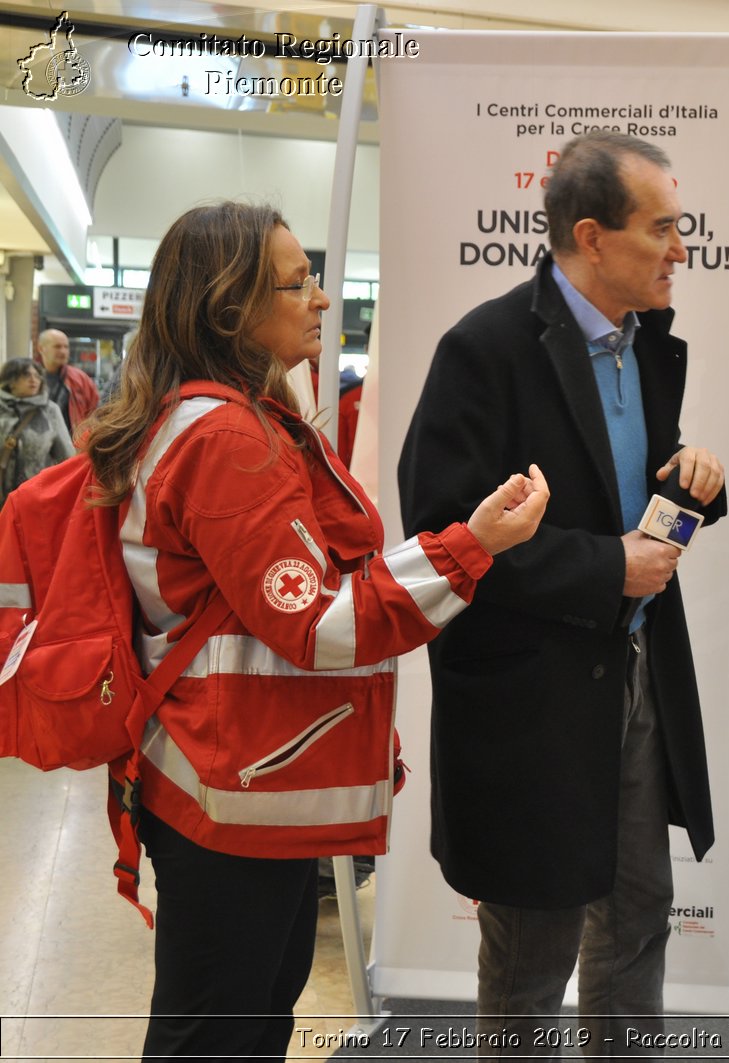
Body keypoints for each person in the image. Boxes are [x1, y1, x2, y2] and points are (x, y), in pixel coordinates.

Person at [78, 201, 550, 1061]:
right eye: (297, 282)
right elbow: (321, 623)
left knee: (246, 1021)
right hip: (229, 792)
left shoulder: (232, 419)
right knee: (221, 1032)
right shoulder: (229, 438)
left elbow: (312, 590)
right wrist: (468, 549)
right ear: (230, 307)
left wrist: (459, 544)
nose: (323, 299)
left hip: (242, 783)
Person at [397, 130, 728, 1058]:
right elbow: (441, 543)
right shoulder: (485, 349)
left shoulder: (644, 346)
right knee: (532, 952)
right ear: (592, 234)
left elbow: (631, 501)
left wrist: (694, 483)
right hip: (530, 705)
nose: (680, 248)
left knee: (637, 920)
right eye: (663, 228)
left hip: (637, 676)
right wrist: (604, 568)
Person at [0, 357, 73, 498]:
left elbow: (66, 457)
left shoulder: (50, 410)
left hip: (35, 496)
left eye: (37, 375)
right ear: (11, 381)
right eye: (26, 375)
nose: (33, 380)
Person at [35, 327, 99, 431]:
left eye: (66, 347)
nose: (63, 351)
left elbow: (95, 411)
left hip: (72, 442)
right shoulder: (30, 378)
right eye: (57, 346)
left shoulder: (80, 379)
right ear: (41, 349)